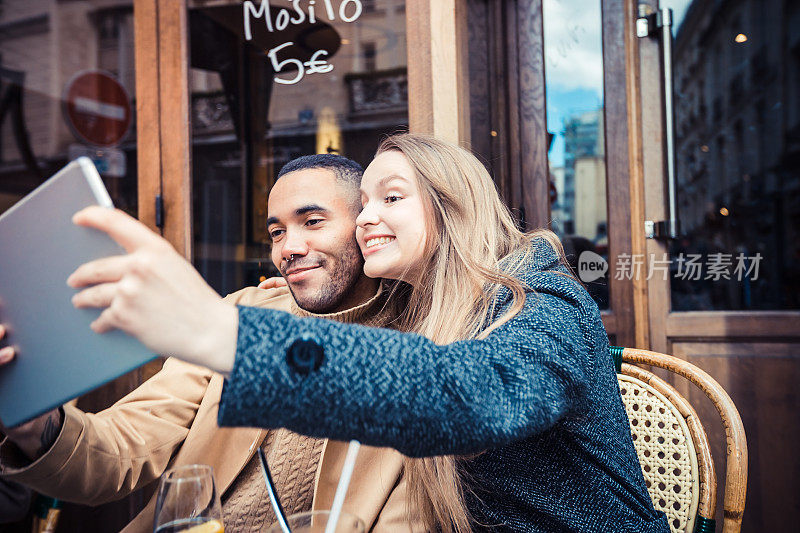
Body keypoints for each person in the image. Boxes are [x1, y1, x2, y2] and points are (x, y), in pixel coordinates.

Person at [64, 134, 670, 532]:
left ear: (451, 205)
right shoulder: (419, 314)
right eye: (365, 203)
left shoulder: (541, 296)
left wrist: (224, 334)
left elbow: (471, 397)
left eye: (391, 198)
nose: (369, 217)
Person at [0, 155, 422, 532]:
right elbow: (123, 447)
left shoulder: (425, 351)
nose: (289, 249)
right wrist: (36, 427)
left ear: (365, 224)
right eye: (276, 232)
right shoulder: (238, 313)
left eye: (312, 222)